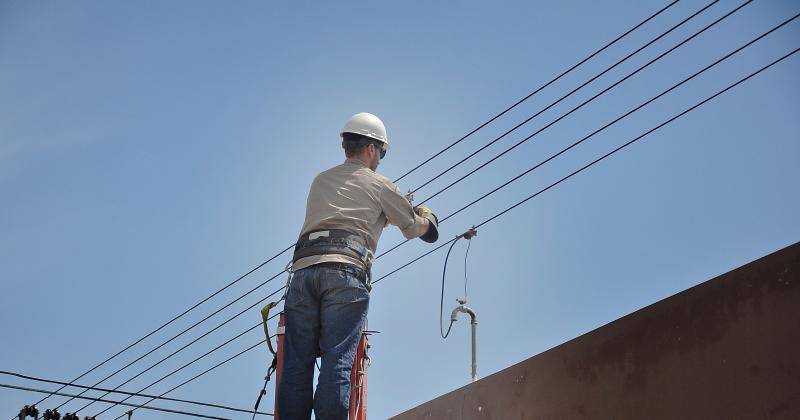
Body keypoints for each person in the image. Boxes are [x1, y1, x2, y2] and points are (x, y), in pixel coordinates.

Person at [277, 112, 439, 419]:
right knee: (338, 358)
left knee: (297, 363)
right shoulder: (380, 184)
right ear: (371, 148)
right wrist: (427, 218)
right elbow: (415, 229)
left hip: (303, 273)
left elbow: (349, 214)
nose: (380, 159)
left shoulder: (321, 181)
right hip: (344, 275)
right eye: (382, 152)